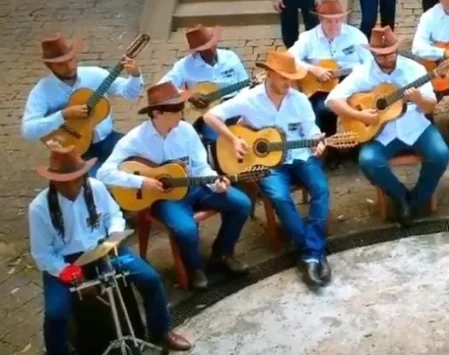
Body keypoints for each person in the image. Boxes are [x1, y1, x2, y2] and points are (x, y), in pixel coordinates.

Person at [29, 144, 191, 354]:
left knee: (150, 278)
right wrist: (65, 271)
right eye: (65, 182)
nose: (73, 186)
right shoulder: (39, 208)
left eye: (77, 179)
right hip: (65, 262)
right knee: (56, 313)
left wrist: (114, 236)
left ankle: (161, 332)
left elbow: (114, 215)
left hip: (102, 249)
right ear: (54, 180)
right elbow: (42, 253)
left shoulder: (95, 187)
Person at [97, 81, 252, 290]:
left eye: (181, 107)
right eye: (176, 109)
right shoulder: (135, 140)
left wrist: (216, 182)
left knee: (242, 203)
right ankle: (195, 268)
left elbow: (200, 167)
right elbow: (103, 173)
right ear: (158, 114)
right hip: (166, 198)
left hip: (196, 187)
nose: (182, 112)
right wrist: (143, 181)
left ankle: (222, 253)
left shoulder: (187, 131)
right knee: (187, 229)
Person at [204, 51, 332, 289]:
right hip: (268, 165)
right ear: (271, 74)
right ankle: (313, 250)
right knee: (279, 197)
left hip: (301, 155)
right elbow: (210, 116)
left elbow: (311, 129)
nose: (289, 83)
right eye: (284, 78)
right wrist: (233, 139)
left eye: (291, 78)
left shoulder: (299, 99)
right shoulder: (249, 98)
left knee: (322, 189)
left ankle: (310, 252)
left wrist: (317, 140)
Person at [327, 27, 449, 226]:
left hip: (415, 126)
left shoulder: (415, 69)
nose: (387, 59)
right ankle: (400, 196)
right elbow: (332, 100)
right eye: (381, 56)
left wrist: (418, 98)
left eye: (391, 54)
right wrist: (358, 114)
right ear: (372, 53)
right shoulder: (363, 72)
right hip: (382, 133)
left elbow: (431, 105)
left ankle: (416, 200)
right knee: (368, 161)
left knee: (440, 154)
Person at [22, 33, 143, 170]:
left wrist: (135, 75)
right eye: (61, 64)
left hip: (107, 139)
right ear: (49, 66)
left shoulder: (94, 74)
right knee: (94, 186)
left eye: (71, 60)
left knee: (143, 158)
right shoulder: (41, 91)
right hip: (73, 152)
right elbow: (28, 130)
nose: (69, 66)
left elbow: (130, 93)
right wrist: (63, 115)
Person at [159, 24, 249, 167]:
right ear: (196, 51)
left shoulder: (230, 57)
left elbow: (245, 85)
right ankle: (222, 169)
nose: (210, 50)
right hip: (205, 114)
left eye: (212, 45)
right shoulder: (185, 66)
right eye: (204, 49)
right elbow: (161, 87)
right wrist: (188, 95)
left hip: (233, 106)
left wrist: (240, 105)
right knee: (216, 138)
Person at [288, 0, 371, 137]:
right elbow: (289, 58)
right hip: (321, 88)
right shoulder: (308, 38)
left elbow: (369, 62)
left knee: (360, 104)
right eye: (328, 21)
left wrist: (357, 71)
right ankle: (325, 147)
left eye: (337, 21)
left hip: (352, 83)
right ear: (320, 19)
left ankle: (358, 142)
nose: (334, 25)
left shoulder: (356, 35)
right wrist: (313, 69)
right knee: (321, 109)